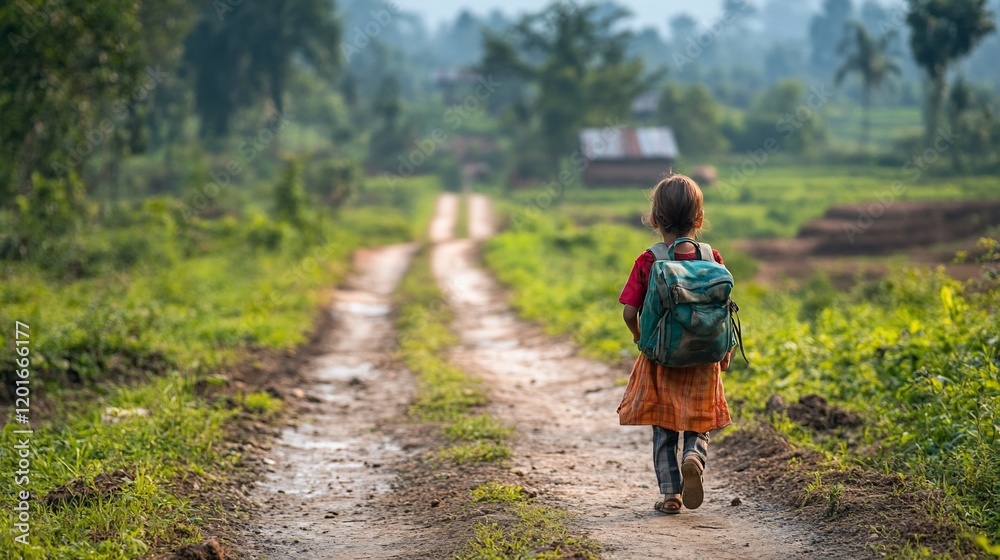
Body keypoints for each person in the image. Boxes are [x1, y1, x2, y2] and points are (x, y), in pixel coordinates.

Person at [616, 173, 733, 515]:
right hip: (704, 359)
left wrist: (641, 338)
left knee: (664, 427)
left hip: (662, 358)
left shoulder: (650, 260)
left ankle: (670, 495)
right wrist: (724, 351)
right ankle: (694, 457)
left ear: (654, 218)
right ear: (698, 219)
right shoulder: (712, 258)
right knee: (699, 419)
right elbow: (722, 311)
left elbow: (628, 312)